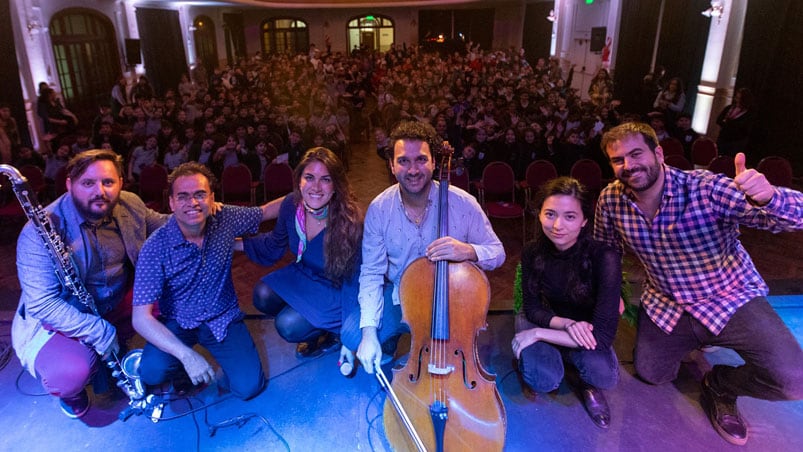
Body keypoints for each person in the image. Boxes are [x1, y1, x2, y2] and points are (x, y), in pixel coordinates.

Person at [594, 122, 803, 445]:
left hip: (729, 297)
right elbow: (605, 251)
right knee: (653, 374)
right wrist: (609, 295)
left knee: (794, 381)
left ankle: (721, 384)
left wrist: (770, 197)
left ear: (658, 153)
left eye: (636, 154)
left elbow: (790, 218)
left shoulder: (705, 188)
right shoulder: (611, 200)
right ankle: (698, 341)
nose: (628, 165)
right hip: (667, 303)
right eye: (618, 160)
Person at [11, 149, 169, 418]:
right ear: (69, 184)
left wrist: (198, 213)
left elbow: (165, 226)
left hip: (116, 298)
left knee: (176, 293)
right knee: (69, 374)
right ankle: (72, 392)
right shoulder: (37, 233)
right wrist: (97, 329)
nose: (100, 191)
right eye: (88, 183)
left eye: (108, 182)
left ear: (121, 182)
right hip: (64, 313)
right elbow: (44, 304)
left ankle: (148, 356)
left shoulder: (129, 204)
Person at [342, 120, 506, 374]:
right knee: (353, 335)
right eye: (403, 161)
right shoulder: (379, 209)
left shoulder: (463, 203)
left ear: (434, 162)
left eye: (420, 159)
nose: (413, 170)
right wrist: (369, 333)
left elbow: (498, 252)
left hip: (452, 301)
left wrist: (468, 250)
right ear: (391, 165)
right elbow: (372, 272)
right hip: (402, 299)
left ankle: (434, 346)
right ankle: (395, 336)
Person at [132, 162, 275, 400]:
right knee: (151, 371)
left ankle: (220, 368)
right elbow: (140, 318)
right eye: (183, 196)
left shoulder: (225, 219)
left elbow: (267, 211)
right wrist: (187, 356)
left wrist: (310, 194)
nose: (193, 203)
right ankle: (181, 369)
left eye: (200, 195)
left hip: (222, 317)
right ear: (171, 203)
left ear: (212, 198)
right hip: (178, 321)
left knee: (249, 386)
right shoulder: (155, 247)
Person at [512, 177, 621, 429]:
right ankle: (561, 357)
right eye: (550, 214)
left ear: (584, 221)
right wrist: (566, 324)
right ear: (539, 214)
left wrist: (538, 334)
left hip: (588, 329)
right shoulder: (532, 251)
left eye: (570, 216)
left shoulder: (604, 256)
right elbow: (532, 307)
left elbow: (602, 337)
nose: (557, 225)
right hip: (548, 317)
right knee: (543, 379)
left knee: (603, 376)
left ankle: (571, 364)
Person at [242, 147, 363, 362]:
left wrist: (348, 331)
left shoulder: (350, 220)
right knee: (261, 294)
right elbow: (273, 244)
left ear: (335, 186)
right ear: (299, 180)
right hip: (305, 273)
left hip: (334, 287)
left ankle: (328, 333)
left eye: (325, 179)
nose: (316, 187)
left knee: (287, 326)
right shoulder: (291, 204)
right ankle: (308, 317)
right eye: (309, 177)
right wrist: (235, 244)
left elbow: (354, 281)